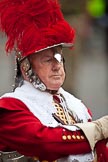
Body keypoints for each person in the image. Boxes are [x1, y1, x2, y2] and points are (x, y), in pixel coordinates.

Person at [0, 0, 108, 162]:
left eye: (59, 58)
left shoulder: (76, 105)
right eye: (47, 60)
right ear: (26, 68)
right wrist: (98, 129)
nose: (57, 66)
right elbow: (45, 143)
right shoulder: (10, 107)